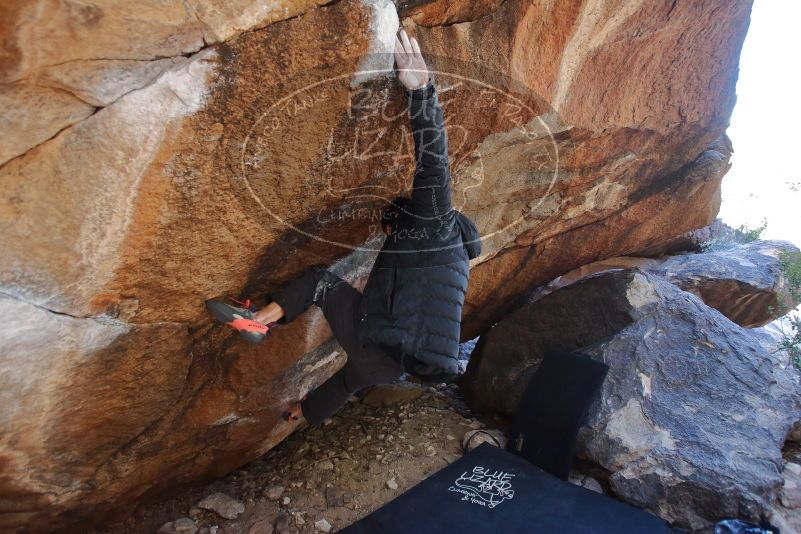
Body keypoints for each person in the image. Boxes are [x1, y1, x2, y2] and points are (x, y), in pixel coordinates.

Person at [205, 29, 481, 425]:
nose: (386, 235)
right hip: (393, 364)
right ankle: (300, 413)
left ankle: (258, 321)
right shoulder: (455, 259)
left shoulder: (433, 217)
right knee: (352, 379)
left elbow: (435, 161)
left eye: (389, 227)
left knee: (320, 282)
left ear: (404, 217)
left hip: (382, 338)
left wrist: (421, 90)